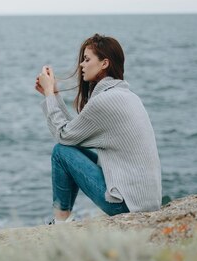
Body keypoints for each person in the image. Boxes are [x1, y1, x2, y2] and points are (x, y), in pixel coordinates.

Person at [35, 34, 161, 224]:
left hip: (126, 205)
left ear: (104, 63)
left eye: (87, 59)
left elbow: (63, 135)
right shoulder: (127, 95)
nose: (81, 65)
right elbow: (73, 134)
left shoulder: (105, 100)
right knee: (69, 149)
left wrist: (49, 95)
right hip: (145, 200)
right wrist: (53, 94)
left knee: (61, 152)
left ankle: (60, 222)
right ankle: (62, 220)